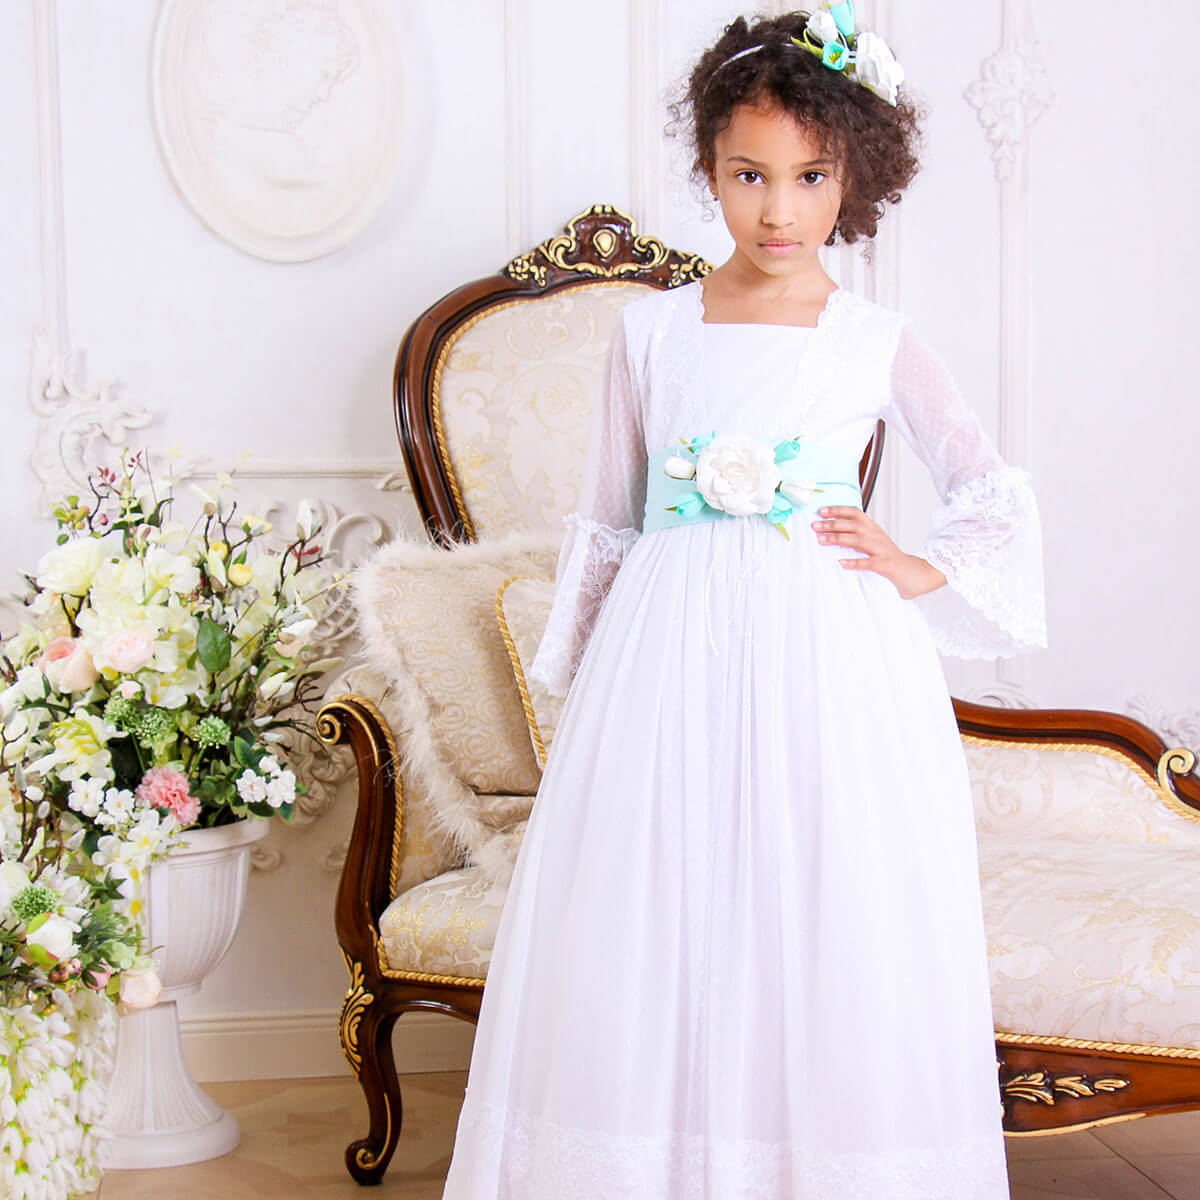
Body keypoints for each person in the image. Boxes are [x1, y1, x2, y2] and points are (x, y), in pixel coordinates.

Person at [441, 8, 1046, 1198]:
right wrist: (589, 687)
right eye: (749, 176)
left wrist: (918, 564)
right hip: (669, 647)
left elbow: (983, 480)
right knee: (664, 903)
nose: (779, 211)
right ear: (709, 169)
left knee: (823, 892)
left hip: (828, 646)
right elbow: (611, 513)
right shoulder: (652, 328)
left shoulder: (874, 338)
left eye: (811, 177)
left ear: (856, 176)